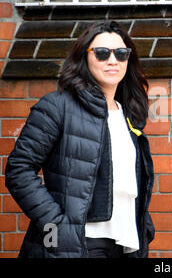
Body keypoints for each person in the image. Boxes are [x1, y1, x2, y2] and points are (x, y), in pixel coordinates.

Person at [5, 20, 155, 258]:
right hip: (78, 243)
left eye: (121, 53)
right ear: (84, 58)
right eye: (102, 53)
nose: (113, 60)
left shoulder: (128, 113)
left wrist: (143, 224)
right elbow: (19, 170)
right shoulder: (57, 106)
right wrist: (55, 225)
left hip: (125, 242)